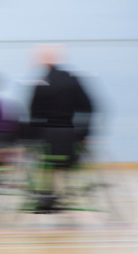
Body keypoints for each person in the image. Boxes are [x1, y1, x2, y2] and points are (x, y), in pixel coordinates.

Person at [25, 44, 95, 211]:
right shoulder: (73, 80)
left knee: (39, 158)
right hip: (69, 136)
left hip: (47, 137)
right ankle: (63, 191)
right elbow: (88, 107)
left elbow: (33, 113)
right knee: (63, 160)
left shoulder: (41, 83)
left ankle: (45, 196)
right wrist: (85, 133)